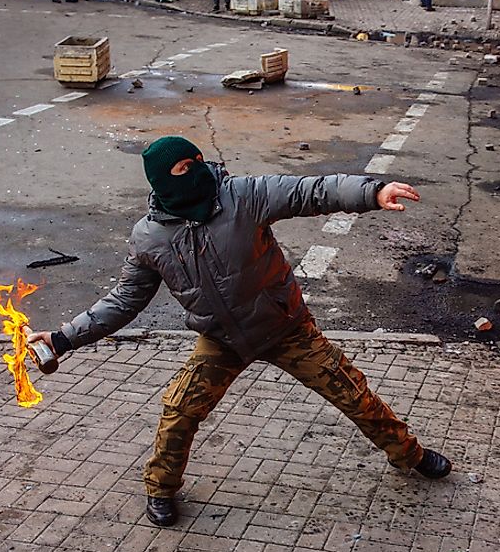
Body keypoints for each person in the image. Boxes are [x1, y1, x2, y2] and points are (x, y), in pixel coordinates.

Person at [29, 136, 453, 528]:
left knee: (351, 393)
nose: (196, 169)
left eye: (196, 160)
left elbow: (310, 191)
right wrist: (63, 339)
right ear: (161, 180)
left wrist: (372, 193)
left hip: (285, 327)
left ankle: (410, 455)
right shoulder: (149, 237)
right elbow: (123, 302)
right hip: (222, 340)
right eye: (183, 167)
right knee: (180, 409)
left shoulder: (241, 195)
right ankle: (160, 489)